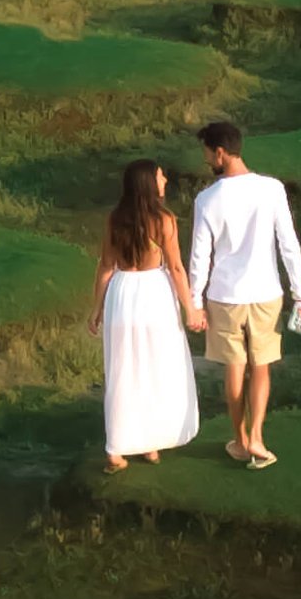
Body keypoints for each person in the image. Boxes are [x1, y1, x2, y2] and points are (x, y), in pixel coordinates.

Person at [187, 120, 301, 471]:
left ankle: (241, 441)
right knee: (261, 367)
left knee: (234, 367)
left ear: (221, 153)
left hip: (224, 295)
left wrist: (195, 302)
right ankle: (256, 437)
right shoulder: (271, 189)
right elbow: (289, 244)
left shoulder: (207, 199)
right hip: (266, 293)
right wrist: (299, 292)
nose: (207, 160)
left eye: (208, 153)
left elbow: (200, 256)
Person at [88, 159, 201, 474]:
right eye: (160, 176)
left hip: (122, 295)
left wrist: (96, 309)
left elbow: (106, 266)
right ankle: (149, 444)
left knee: (123, 370)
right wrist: (190, 308)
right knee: (155, 368)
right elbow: (176, 268)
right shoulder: (163, 220)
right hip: (154, 295)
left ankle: (118, 449)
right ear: (149, 184)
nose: (165, 179)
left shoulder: (115, 219)